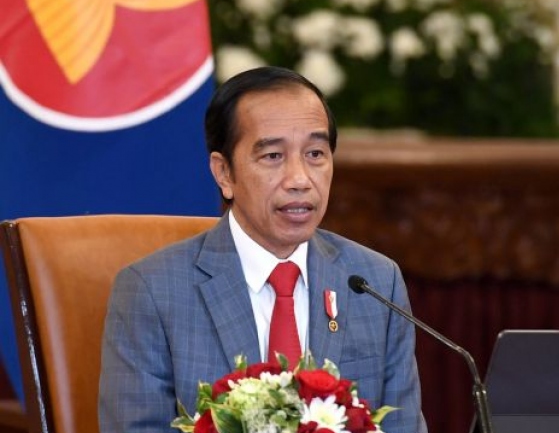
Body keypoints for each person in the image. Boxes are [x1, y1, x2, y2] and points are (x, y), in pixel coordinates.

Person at [98, 66, 428, 433]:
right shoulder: (152, 293)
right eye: (272, 156)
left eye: (315, 153)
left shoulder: (374, 282)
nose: (300, 179)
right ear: (224, 173)